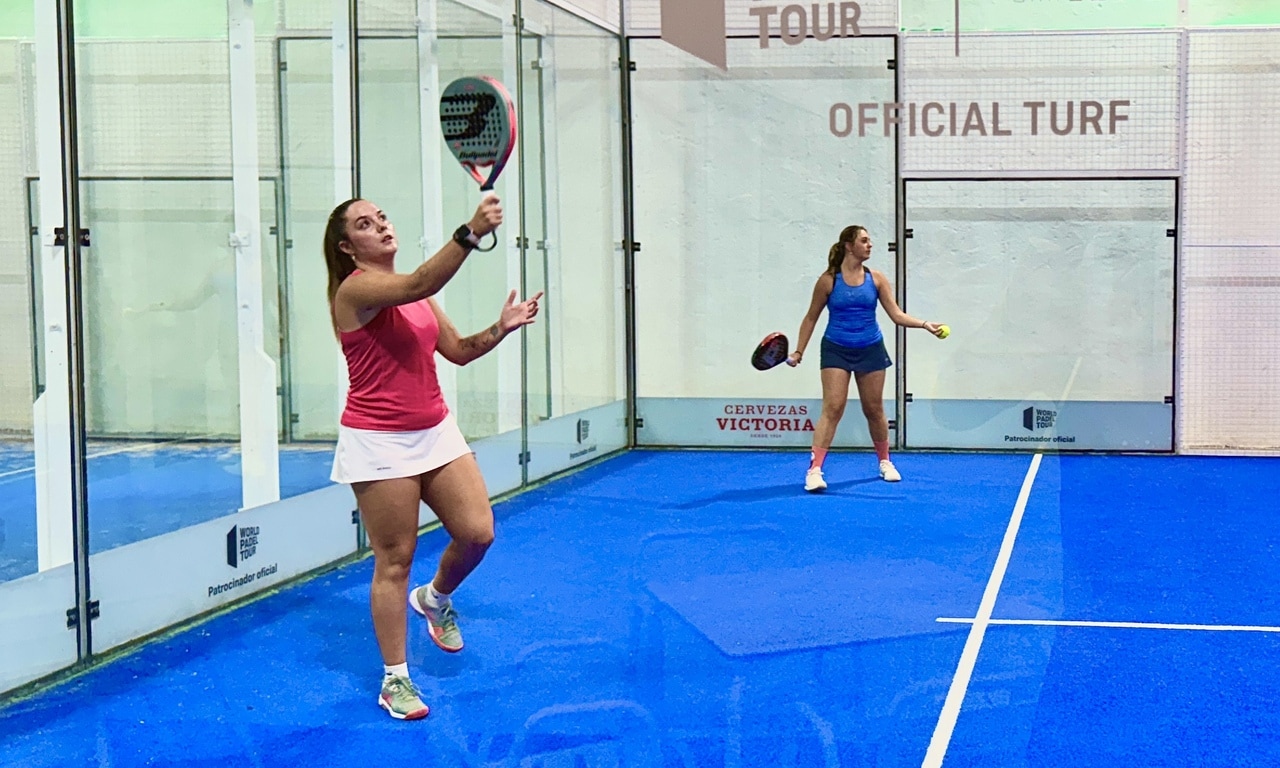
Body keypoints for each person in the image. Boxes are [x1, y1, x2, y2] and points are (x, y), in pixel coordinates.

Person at [323, 195, 543, 720]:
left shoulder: (417, 296)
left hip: (435, 431)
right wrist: (470, 231)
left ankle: (435, 598)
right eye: (365, 225)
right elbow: (420, 282)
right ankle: (395, 680)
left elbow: (460, 350)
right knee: (394, 560)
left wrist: (501, 327)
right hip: (380, 442)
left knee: (477, 532)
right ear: (348, 248)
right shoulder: (358, 289)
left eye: (381, 217)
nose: (380, 226)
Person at [786, 225, 945, 491]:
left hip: (870, 348)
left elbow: (896, 315)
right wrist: (799, 351)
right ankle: (814, 471)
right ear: (849, 246)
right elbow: (811, 317)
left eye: (869, 240)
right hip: (836, 348)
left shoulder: (877, 279)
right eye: (864, 241)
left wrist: (925, 324)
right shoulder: (828, 280)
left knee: (874, 409)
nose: (870, 245)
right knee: (833, 407)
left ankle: (885, 462)